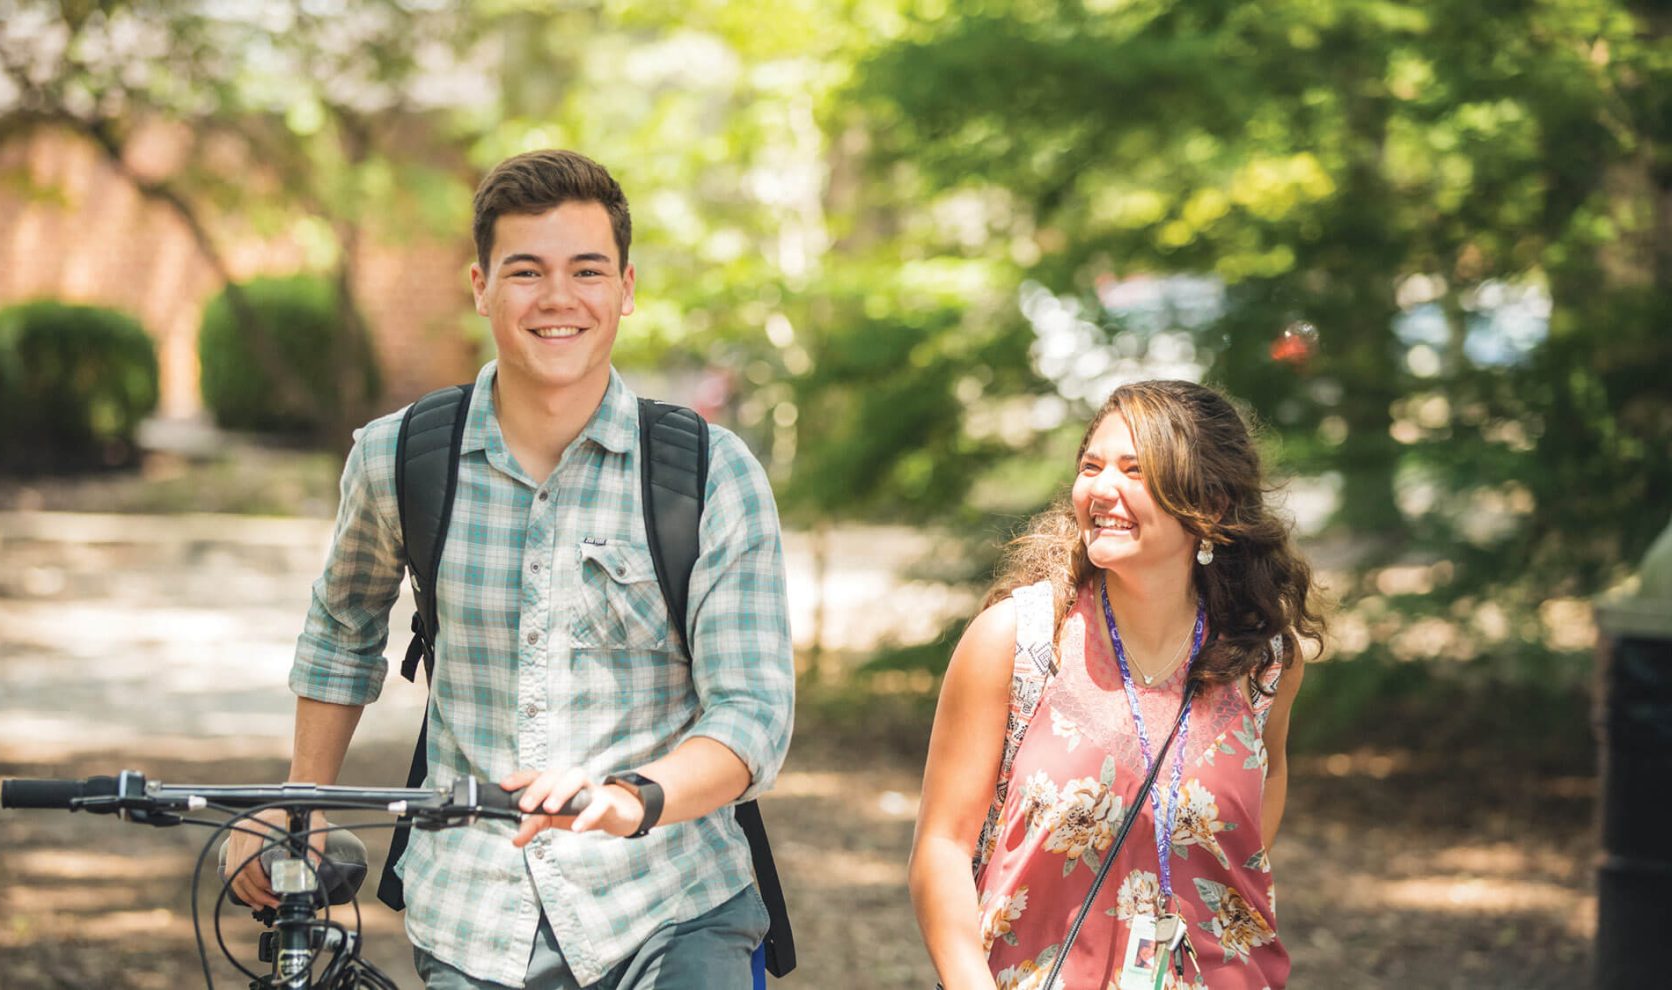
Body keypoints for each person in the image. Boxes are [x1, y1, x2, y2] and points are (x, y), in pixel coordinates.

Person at [226, 149, 796, 990]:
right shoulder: (402, 457)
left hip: (674, 905)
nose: (558, 298)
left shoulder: (711, 472)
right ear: (480, 286)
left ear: (626, 289)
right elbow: (341, 634)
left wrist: (632, 795)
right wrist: (297, 806)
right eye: (526, 271)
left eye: (587, 271)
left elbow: (753, 713)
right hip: (474, 917)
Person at [909, 379, 1324, 989]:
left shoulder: (1264, 664)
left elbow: (1262, 800)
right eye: (1091, 466)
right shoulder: (1017, 643)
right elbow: (941, 846)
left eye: (1135, 470)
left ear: (1208, 503)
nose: (1102, 489)